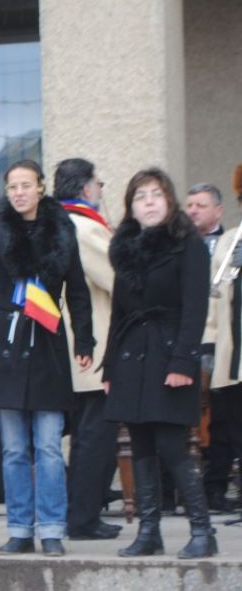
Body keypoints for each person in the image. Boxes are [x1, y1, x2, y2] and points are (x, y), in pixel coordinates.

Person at [0, 160, 94, 557]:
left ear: (40, 188)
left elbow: (78, 291)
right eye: (12, 186)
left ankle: (51, 529)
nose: (19, 192)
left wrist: (85, 341)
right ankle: (19, 529)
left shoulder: (62, 230)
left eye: (26, 185)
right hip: (6, 345)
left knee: (48, 446)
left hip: (48, 343)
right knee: (14, 448)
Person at [105, 168, 215, 558]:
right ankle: (149, 531)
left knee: (172, 445)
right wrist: (109, 367)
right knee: (140, 446)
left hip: (170, 355)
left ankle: (203, 531)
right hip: (132, 358)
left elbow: (195, 309)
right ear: (131, 207)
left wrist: (183, 362)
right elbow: (119, 313)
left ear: (168, 200)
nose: (148, 202)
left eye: (156, 194)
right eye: (140, 196)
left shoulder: (188, 245)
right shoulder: (126, 248)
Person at [53, 158, 122, 541]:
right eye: (99, 184)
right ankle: (83, 518)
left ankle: (80, 514)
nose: (100, 191)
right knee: (96, 436)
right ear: (85, 188)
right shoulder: (82, 226)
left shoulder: (57, 222)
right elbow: (118, 278)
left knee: (84, 435)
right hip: (92, 348)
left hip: (72, 346)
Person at [187, 182, 238, 512]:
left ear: (218, 210)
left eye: (201, 205)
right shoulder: (226, 240)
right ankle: (203, 490)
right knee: (212, 420)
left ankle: (217, 487)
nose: (193, 211)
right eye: (190, 205)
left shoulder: (230, 241)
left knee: (225, 420)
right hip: (211, 343)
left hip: (229, 343)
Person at [205, 188, 242, 512]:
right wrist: (209, 342)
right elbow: (214, 298)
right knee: (227, 425)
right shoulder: (229, 241)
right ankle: (218, 491)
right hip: (232, 352)